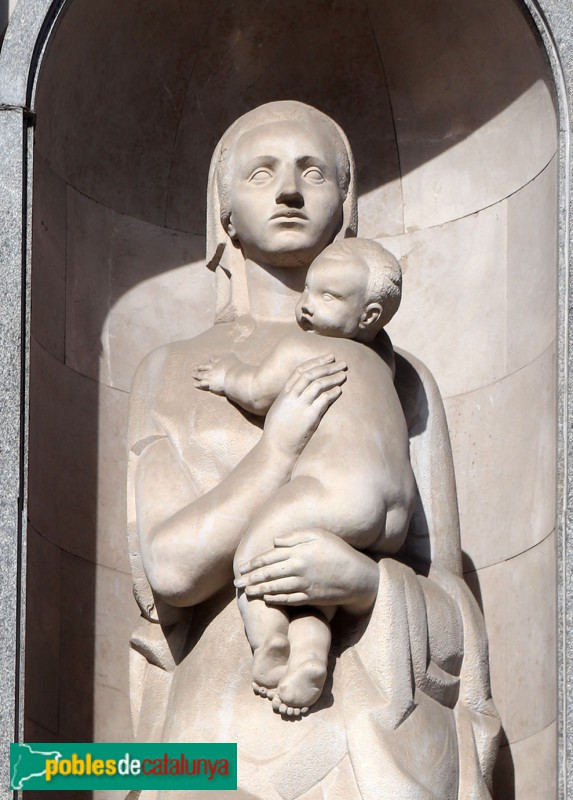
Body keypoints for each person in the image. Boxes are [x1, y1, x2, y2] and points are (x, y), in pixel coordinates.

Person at [127, 101, 500, 800]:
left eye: (313, 173)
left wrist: (363, 584)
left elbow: (452, 611)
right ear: (224, 212)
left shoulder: (402, 376)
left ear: (346, 205)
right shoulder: (174, 370)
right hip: (212, 749)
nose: (290, 190)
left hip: (368, 741)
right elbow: (170, 571)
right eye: (262, 171)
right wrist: (278, 449)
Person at [192, 238, 416, 715]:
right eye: (308, 290)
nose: (307, 305)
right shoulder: (384, 364)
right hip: (395, 513)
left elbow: (256, 391)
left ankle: (270, 642)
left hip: (335, 492)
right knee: (310, 590)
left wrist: (227, 376)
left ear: (369, 315)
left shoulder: (302, 346)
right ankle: (312, 654)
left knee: (256, 559)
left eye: (327, 297)